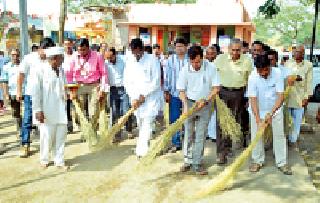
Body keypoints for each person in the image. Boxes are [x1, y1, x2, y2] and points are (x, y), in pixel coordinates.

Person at [177, 45, 220, 175]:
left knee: (201, 135)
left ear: (202, 58)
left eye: (198, 61)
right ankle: (187, 160)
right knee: (189, 134)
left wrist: (206, 100)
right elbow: (181, 90)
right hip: (189, 104)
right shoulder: (185, 69)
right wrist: (185, 105)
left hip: (205, 104)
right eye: (193, 62)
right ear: (189, 60)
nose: (196, 65)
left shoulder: (211, 67)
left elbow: (216, 87)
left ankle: (197, 162)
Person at [247, 54, 292, 175]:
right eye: (260, 71)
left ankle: (282, 162)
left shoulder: (277, 73)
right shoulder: (253, 77)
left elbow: (280, 96)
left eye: (265, 70)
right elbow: (252, 98)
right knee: (257, 136)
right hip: (257, 110)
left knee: (279, 135)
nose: (263, 73)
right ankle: (257, 160)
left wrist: (271, 113)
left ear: (270, 66)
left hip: (275, 110)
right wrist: (258, 119)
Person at [214, 39, 253, 164]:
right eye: (233, 50)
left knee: (234, 122)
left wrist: (248, 98)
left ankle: (228, 148)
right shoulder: (220, 59)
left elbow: (250, 81)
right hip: (222, 93)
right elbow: (212, 75)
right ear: (229, 49)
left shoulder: (247, 60)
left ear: (242, 49)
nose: (235, 53)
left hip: (239, 94)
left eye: (238, 50)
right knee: (221, 123)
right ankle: (221, 152)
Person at [17, 37, 55, 157]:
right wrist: (19, 91)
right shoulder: (29, 58)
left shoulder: (52, 59)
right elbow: (21, 75)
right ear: (39, 49)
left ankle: (48, 145)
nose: (46, 54)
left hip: (47, 94)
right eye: (44, 51)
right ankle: (25, 145)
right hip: (31, 94)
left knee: (47, 120)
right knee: (27, 119)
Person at [123, 38, 161, 158]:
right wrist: (134, 97)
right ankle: (145, 145)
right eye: (134, 52)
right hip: (135, 100)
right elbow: (127, 82)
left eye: (138, 52)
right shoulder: (130, 62)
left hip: (150, 99)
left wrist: (143, 95)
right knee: (140, 123)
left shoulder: (153, 60)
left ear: (143, 49)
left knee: (147, 123)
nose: (136, 55)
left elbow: (156, 81)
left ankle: (142, 152)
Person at [32, 46, 69, 170]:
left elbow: (64, 86)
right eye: (61, 58)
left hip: (61, 108)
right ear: (54, 58)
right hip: (47, 109)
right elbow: (36, 91)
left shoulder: (61, 70)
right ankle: (44, 160)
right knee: (46, 135)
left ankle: (59, 160)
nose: (62, 60)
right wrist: (37, 110)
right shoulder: (40, 70)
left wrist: (67, 93)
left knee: (61, 135)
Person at [66, 38, 108, 142]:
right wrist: (71, 90)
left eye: (83, 50)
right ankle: (84, 131)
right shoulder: (73, 57)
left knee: (93, 111)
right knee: (78, 112)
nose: (81, 52)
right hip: (79, 85)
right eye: (79, 50)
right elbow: (69, 75)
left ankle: (91, 132)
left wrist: (102, 88)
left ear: (88, 48)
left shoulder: (97, 56)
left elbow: (104, 73)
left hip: (94, 85)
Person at [285, 45, 313, 150]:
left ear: (303, 54)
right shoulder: (288, 63)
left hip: (300, 98)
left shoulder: (308, 65)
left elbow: (309, 83)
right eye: (296, 52)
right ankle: (286, 138)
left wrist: (307, 98)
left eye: (300, 52)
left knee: (297, 121)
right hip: (287, 96)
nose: (297, 54)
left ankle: (293, 141)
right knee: (287, 120)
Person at [163, 38, 189, 153]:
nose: (179, 49)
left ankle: (188, 141)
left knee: (188, 118)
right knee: (174, 119)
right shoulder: (170, 60)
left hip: (188, 95)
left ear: (186, 47)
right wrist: (166, 91)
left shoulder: (190, 59)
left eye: (181, 46)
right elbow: (167, 76)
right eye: (177, 46)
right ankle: (176, 142)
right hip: (174, 94)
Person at [106, 48, 133, 142]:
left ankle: (129, 129)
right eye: (108, 58)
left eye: (111, 57)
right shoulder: (106, 63)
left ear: (115, 55)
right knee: (114, 112)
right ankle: (116, 133)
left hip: (123, 89)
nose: (109, 60)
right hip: (112, 90)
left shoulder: (124, 60)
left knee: (125, 111)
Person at [2, 49, 23, 137]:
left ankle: (26, 128)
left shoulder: (23, 65)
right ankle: (19, 128)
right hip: (13, 92)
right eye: (13, 55)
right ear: (10, 56)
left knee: (27, 110)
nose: (15, 57)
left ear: (19, 55)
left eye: (17, 55)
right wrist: (6, 94)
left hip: (24, 92)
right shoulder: (6, 67)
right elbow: (4, 81)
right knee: (15, 112)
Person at [205, 46, 219, 142]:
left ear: (216, 54)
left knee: (214, 114)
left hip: (215, 92)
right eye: (208, 53)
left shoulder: (218, 64)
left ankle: (213, 135)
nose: (210, 56)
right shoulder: (203, 64)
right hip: (204, 93)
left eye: (212, 53)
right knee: (205, 114)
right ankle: (206, 133)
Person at [63, 38, 75, 133]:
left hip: (75, 84)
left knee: (76, 104)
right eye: (66, 44)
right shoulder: (61, 56)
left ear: (72, 44)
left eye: (69, 44)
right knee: (66, 106)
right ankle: (69, 123)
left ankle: (79, 123)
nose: (67, 46)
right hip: (65, 84)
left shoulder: (76, 55)